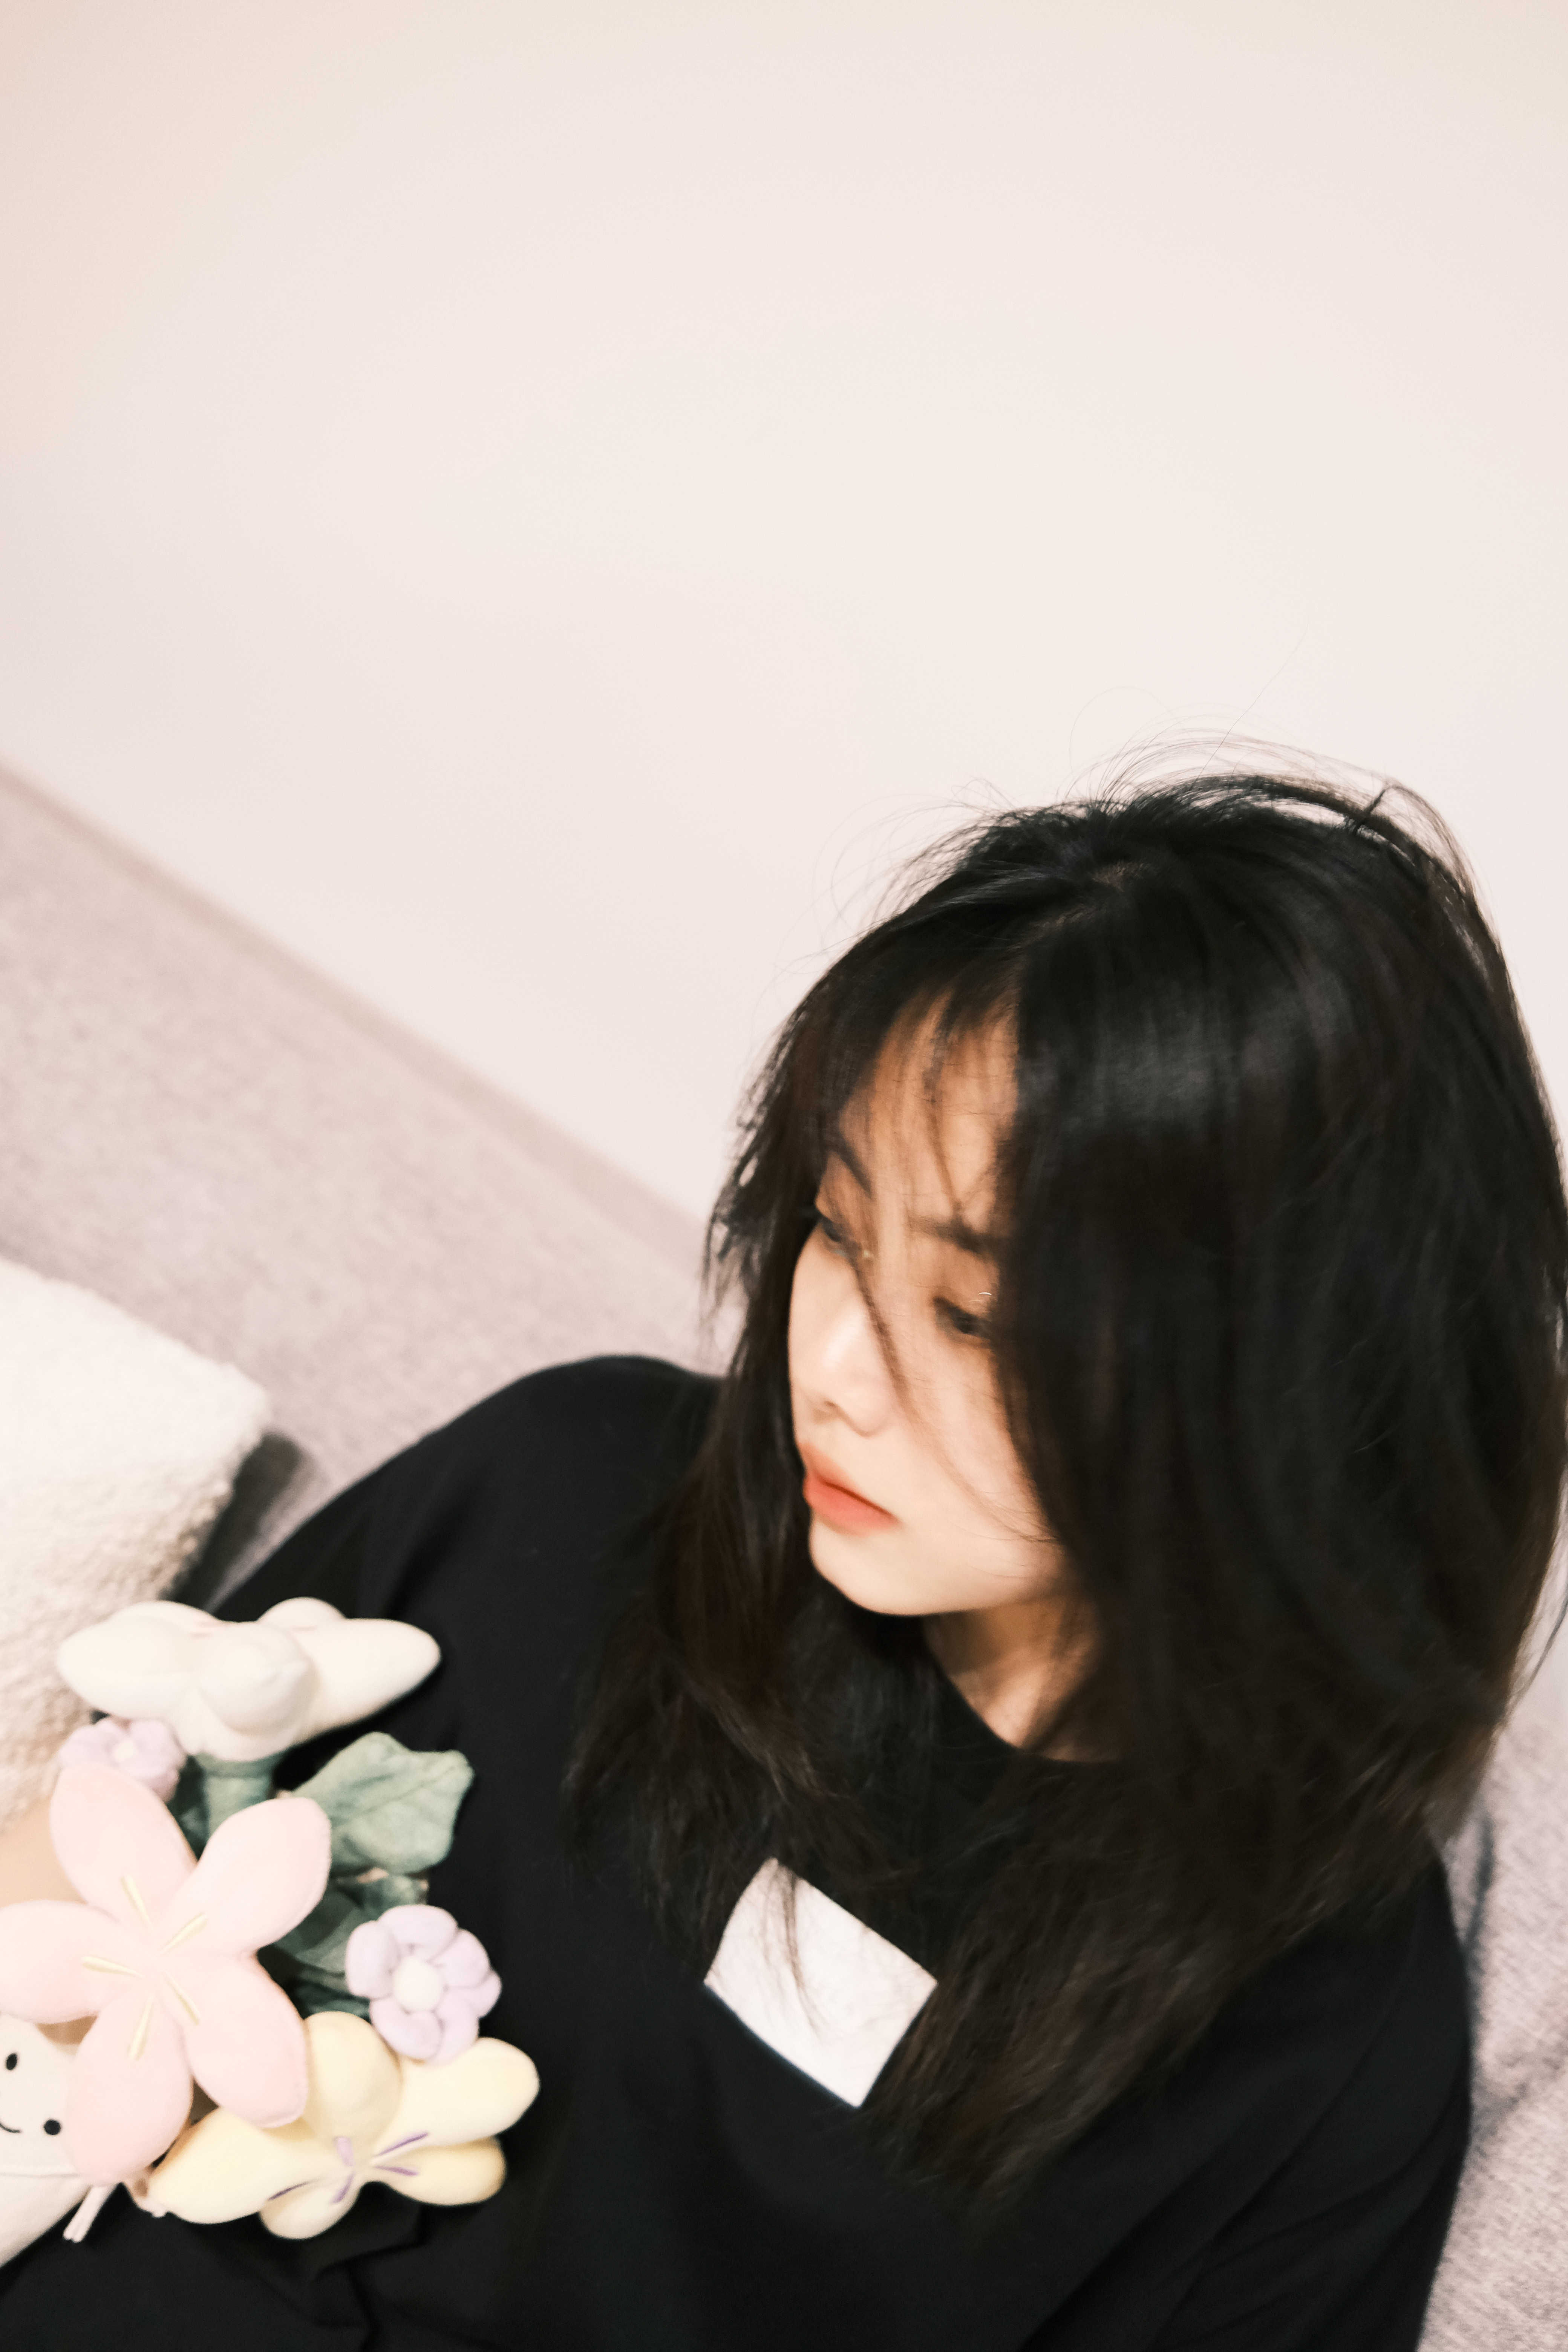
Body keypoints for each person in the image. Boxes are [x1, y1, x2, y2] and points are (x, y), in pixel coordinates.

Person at [2, 772, 1563, 2350]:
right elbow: (78, 1878)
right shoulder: (570, 1485)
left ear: (1282, 1392)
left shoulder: (1308, 2048)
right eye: (836, 1227)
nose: (831, 1370)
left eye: (970, 1317)